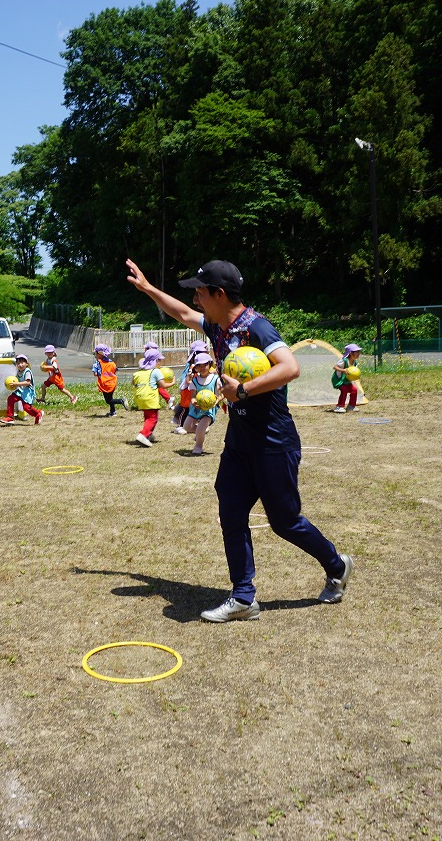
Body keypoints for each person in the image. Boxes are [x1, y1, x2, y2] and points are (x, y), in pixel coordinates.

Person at [126, 257, 354, 620]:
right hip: (239, 440)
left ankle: (336, 565)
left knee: (284, 521)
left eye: (200, 292)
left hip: (272, 440)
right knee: (231, 511)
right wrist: (148, 288)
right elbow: (182, 314)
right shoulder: (217, 326)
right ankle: (244, 597)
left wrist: (243, 391)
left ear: (219, 294)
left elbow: (290, 367)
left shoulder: (257, 327)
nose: (196, 299)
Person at [179, 352, 220, 456]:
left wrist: (217, 401)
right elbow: (193, 396)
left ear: (210, 365)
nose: (202, 368)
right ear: (195, 367)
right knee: (187, 427)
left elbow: (221, 394)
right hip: (196, 409)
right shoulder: (195, 380)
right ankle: (200, 433)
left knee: (201, 429)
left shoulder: (215, 379)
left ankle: (198, 446)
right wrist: (193, 402)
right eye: (199, 366)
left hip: (208, 410)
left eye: (204, 365)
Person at [131, 348, 172, 447]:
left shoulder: (138, 373)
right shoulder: (155, 371)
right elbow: (163, 385)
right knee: (153, 418)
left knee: (147, 417)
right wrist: (173, 382)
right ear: (155, 361)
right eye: (159, 360)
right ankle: (143, 434)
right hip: (150, 398)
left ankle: (148, 435)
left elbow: (133, 383)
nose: (160, 362)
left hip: (139, 398)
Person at [172, 340, 211, 433]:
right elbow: (188, 380)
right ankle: (179, 425)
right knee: (185, 408)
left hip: (194, 389)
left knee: (194, 407)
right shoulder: (192, 367)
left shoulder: (199, 366)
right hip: (187, 390)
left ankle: (197, 424)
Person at [1, 354, 42, 425]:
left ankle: (38, 413)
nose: (20, 365)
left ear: (26, 364)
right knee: (11, 399)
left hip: (27, 392)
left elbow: (27, 382)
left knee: (27, 408)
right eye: (18, 363)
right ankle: (10, 417)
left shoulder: (27, 371)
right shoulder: (18, 372)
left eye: (22, 363)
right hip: (20, 391)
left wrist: (16, 384)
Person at [92, 344, 126, 417]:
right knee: (110, 397)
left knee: (108, 400)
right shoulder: (111, 362)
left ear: (99, 354)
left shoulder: (98, 362)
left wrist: (99, 374)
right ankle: (113, 412)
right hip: (112, 382)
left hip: (105, 383)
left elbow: (95, 373)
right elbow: (115, 369)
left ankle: (121, 401)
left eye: (96, 353)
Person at [332, 344, 362, 413]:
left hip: (346, 380)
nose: (359, 353)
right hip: (339, 380)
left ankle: (351, 406)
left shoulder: (354, 362)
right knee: (344, 390)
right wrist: (343, 370)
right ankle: (339, 406)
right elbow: (335, 367)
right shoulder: (344, 360)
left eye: (359, 352)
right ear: (351, 353)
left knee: (354, 390)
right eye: (357, 352)